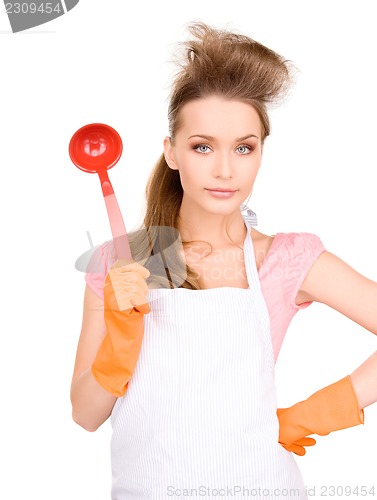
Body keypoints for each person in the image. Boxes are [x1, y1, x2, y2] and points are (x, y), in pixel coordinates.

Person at [70, 22, 376, 500]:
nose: (225, 169)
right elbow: (85, 415)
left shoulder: (286, 260)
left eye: (244, 148)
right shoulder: (118, 261)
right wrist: (118, 348)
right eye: (203, 146)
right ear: (171, 152)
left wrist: (316, 412)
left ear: (260, 154)